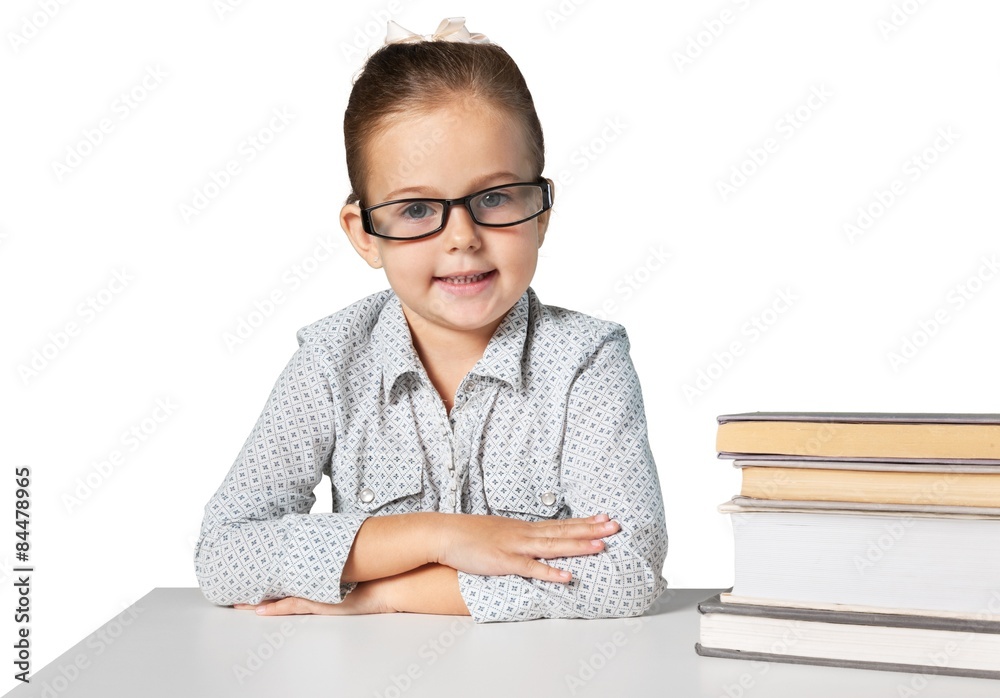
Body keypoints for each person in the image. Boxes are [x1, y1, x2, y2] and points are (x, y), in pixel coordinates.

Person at [193, 17, 667, 623]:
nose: (462, 238)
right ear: (365, 234)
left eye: (494, 197)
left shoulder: (586, 360)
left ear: (541, 212)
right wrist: (441, 535)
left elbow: (628, 573)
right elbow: (224, 554)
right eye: (417, 209)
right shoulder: (331, 360)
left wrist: (383, 593)